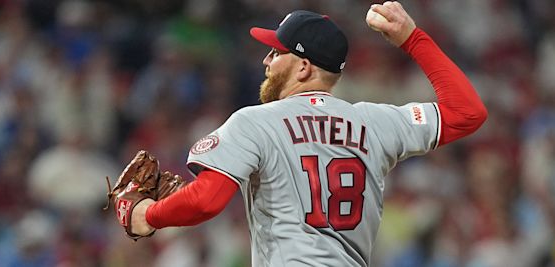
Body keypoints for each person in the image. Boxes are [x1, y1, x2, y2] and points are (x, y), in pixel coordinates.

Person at [126, 1, 487, 266]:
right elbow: (467, 112)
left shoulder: (256, 121)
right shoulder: (375, 122)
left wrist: (148, 214)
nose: (266, 61)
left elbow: (206, 200)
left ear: (302, 67)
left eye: (275, 52)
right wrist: (412, 38)